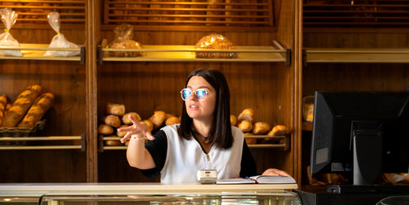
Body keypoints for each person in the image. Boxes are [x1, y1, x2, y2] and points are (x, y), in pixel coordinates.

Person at [121, 68, 290, 183]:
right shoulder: (169, 135)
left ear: (220, 98)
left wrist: (262, 177)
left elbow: (246, 178)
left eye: (201, 92)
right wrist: (138, 136)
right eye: (187, 92)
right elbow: (137, 161)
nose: (192, 97)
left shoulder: (236, 136)